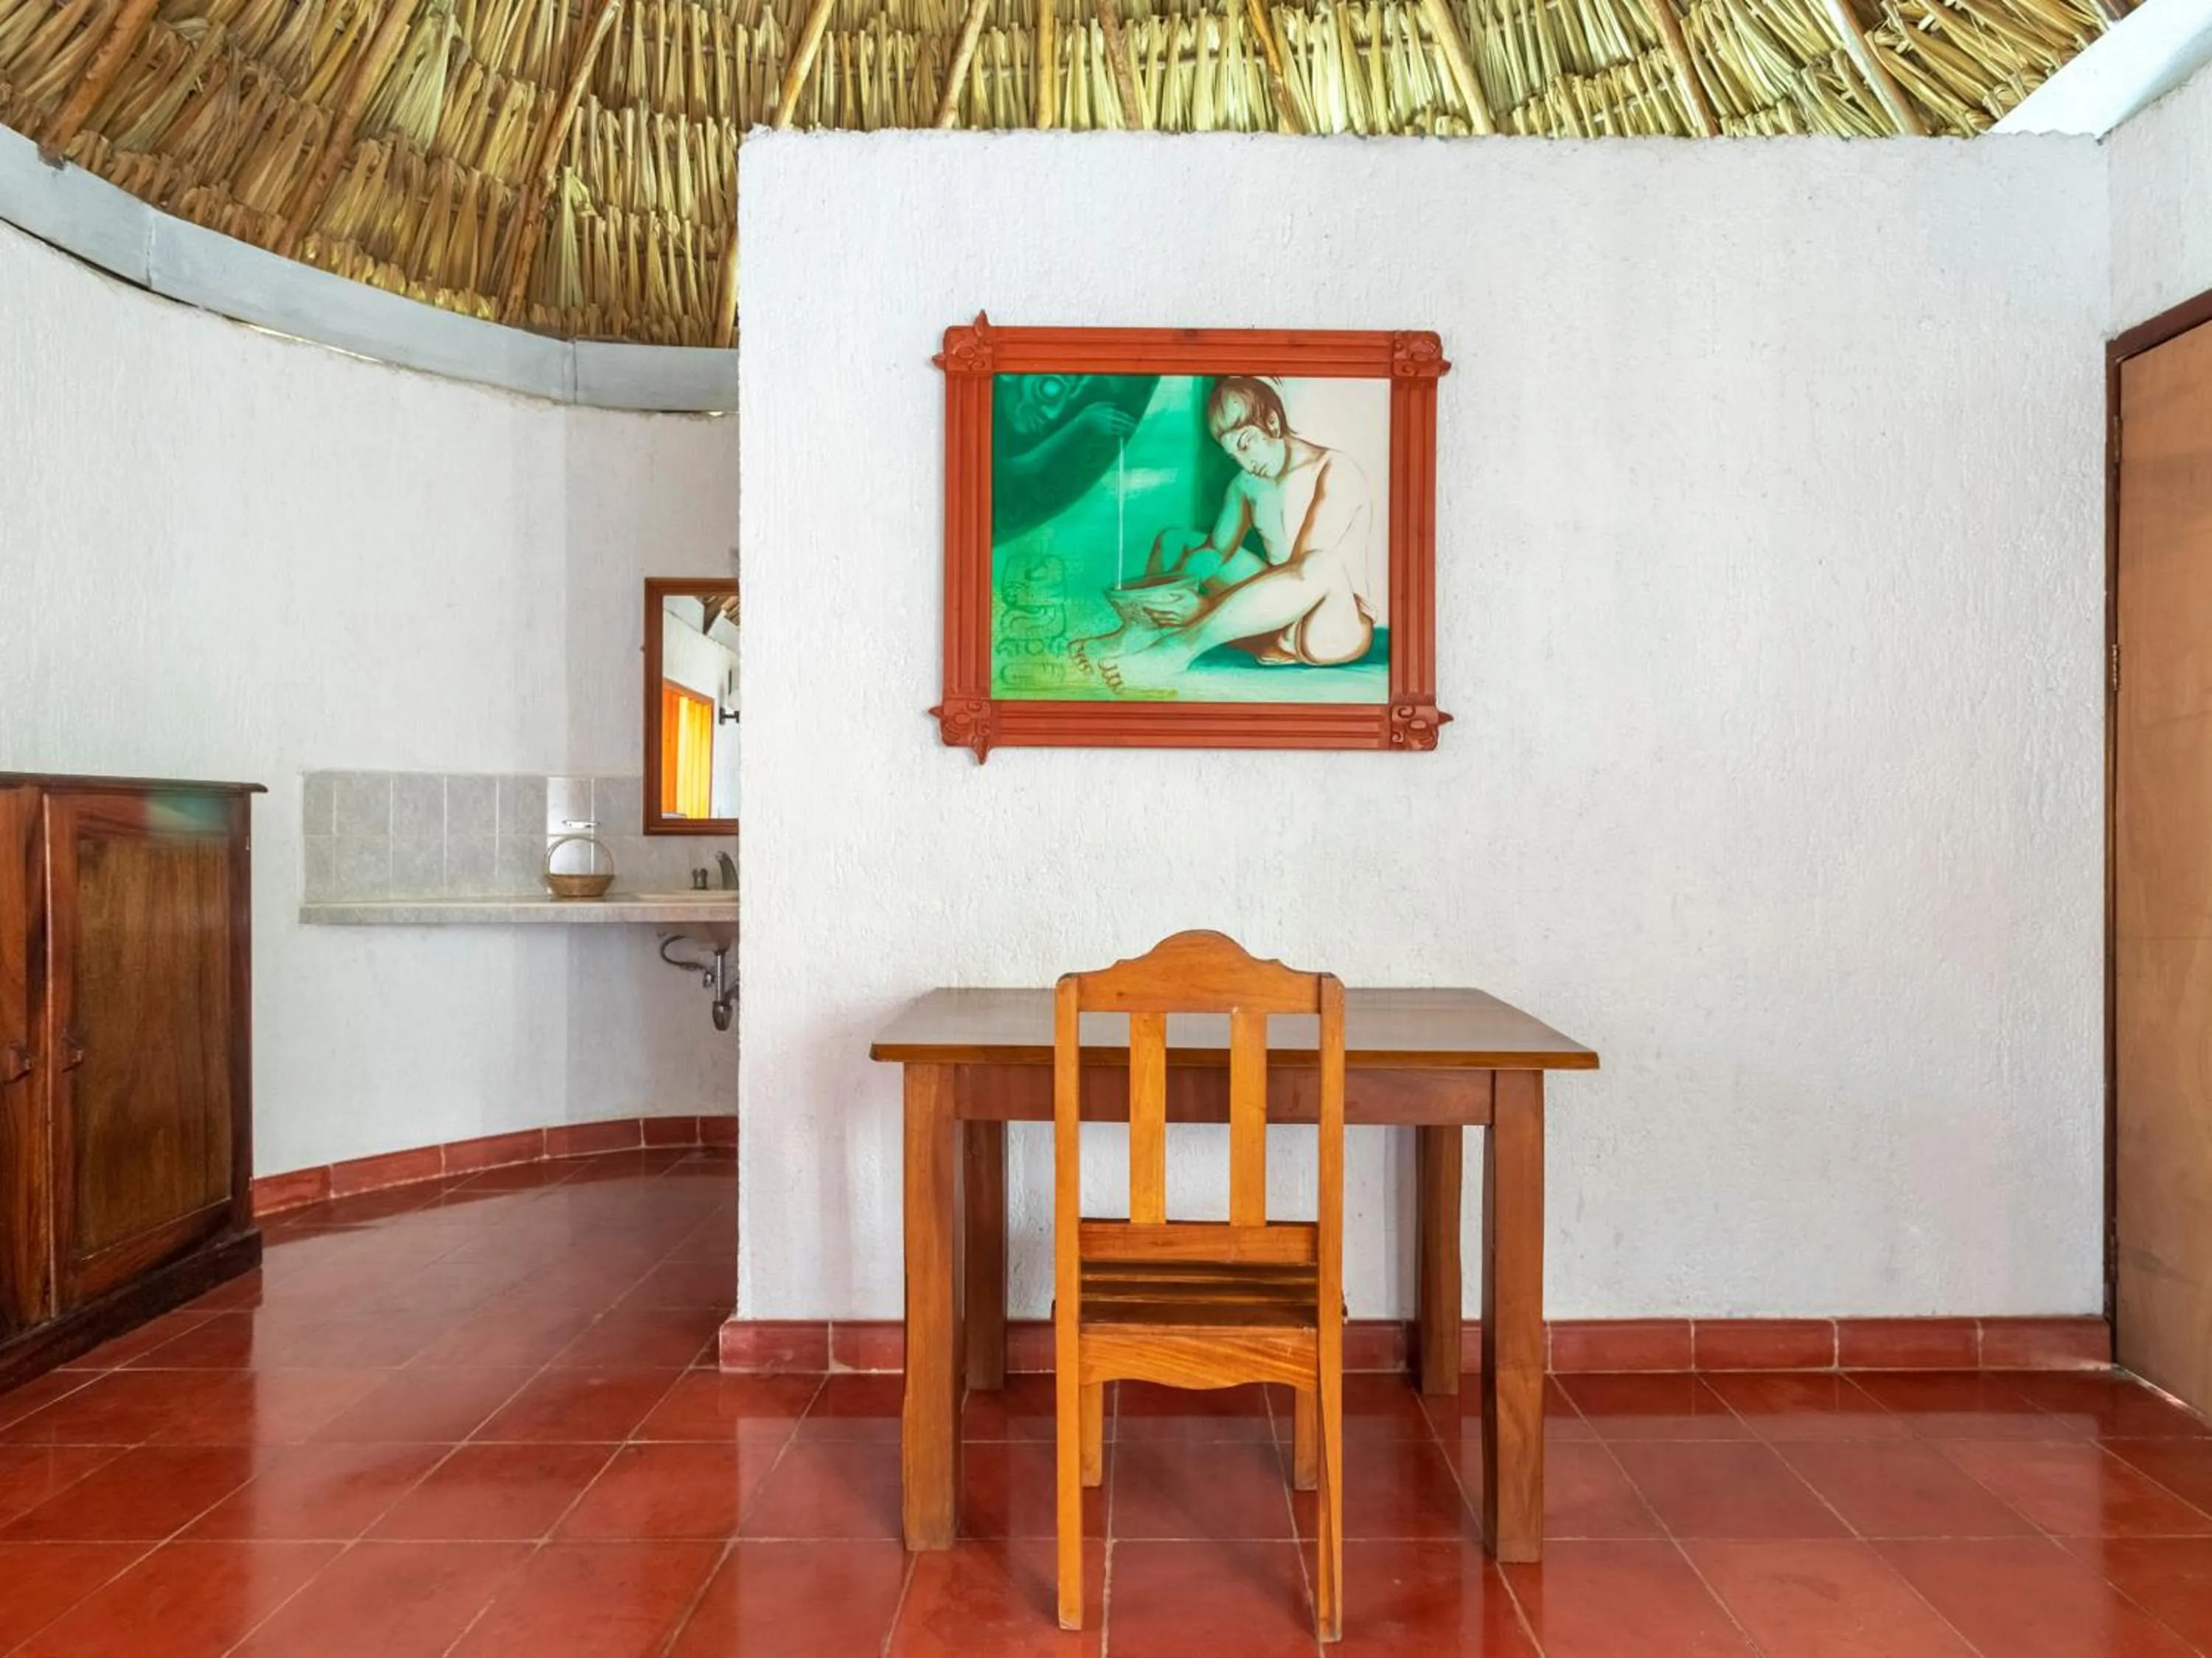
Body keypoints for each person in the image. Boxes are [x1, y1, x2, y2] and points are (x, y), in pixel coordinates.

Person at [1077, 378, 1376, 693]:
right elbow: (1217, 552)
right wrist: (1182, 594)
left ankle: (1178, 648)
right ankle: (1143, 630)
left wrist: (1204, 608)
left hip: (1330, 625)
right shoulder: (1245, 484)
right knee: (1176, 541)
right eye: (1234, 456)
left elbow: (1304, 571)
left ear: (1272, 423)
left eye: (1246, 444)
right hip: (1273, 614)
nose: (1246, 463)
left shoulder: (1334, 469)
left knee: (1321, 564)